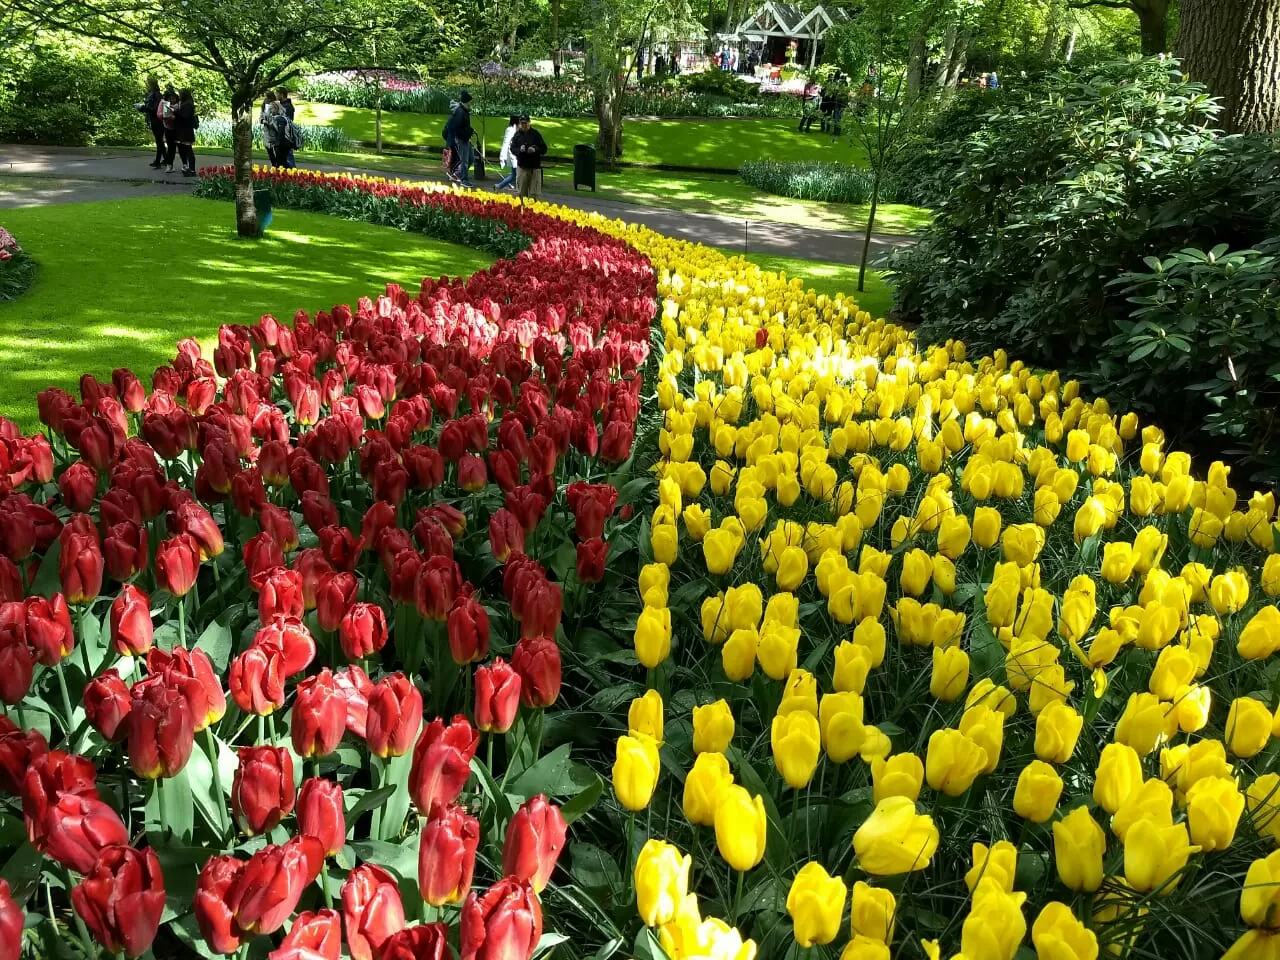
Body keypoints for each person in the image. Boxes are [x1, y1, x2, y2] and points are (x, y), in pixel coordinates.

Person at [510, 115, 547, 201]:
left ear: (529, 123)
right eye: (522, 123)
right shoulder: (517, 135)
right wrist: (520, 150)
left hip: (534, 168)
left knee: (534, 194)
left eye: (525, 123)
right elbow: (512, 148)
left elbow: (544, 149)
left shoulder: (535, 134)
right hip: (522, 167)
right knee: (521, 194)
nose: (524, 125)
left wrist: (535, 149)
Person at [443, 91, 475, 187]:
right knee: (464, 160)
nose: (471, 103)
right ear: (467, 101)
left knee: (471, 158)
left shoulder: (464, 111)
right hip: (461, 139)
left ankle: (457, 174)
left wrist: (470, 131)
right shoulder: (460, 112)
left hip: (465, 138)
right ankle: (464, 180)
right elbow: (454, 128)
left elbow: (463, 127)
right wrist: (467, 133)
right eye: (470, 102)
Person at [138, 77, 166, 169]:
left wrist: (143, 108)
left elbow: (155, 109)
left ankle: (161, 160)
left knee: (159, 141)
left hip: (157, 120)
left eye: (148, 84)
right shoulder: (151, 94)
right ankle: (164, 160)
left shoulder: (157, 95)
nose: (147, 85)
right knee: (159, 141)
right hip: (153, 119)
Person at [173, 89, 199, 177]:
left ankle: (192, 169)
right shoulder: (187, 103)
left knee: (188, 150)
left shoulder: (187, 104)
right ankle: (190, 168)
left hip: (186, 131)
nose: (179, 96)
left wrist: (175, 112)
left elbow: (185, 116)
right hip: (184, 130)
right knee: (186, 150)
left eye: (180, 94)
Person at [494, 114, 520, 191]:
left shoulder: (517, 128)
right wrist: (502, 157)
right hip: (513, 155)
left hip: (517, 154)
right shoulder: (510, 130)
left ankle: (499, 186)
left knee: (515, 174)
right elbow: (505, 143)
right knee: (515, 174)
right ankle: (499, 186)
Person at [260, 90, 286, 167]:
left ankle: (278, 167)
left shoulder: (275, 105)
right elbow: (261, 116)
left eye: (265, 96)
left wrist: (269, 121)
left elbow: (277, 117)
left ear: (270, 97)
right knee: (269, 150)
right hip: (267, 131)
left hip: (275, 132)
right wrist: (263, 120)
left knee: (277, 151)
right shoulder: (264, 105)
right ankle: (274, 166)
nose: (264, 98)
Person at [159, 85, 179, 172]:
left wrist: (175, 116)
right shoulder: (163, 104)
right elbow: (159, 114)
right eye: (169, 98)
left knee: (181, 148)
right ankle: (169, 165)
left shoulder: (178, 105)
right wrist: (164, 116)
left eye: (173, 98)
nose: (171, 100)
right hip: (168, 128)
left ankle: (186, 165)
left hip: (177, 128)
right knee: (171, 147)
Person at [276, 88, 297, 167]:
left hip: (286, 135)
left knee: (288, 155)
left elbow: (286, 121)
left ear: (282, 94)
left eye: (277, 94)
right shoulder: (282, 105)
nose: (276, 95)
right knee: (282, 156)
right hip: (281, 134)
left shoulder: (287, 106)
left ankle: (293, 174)